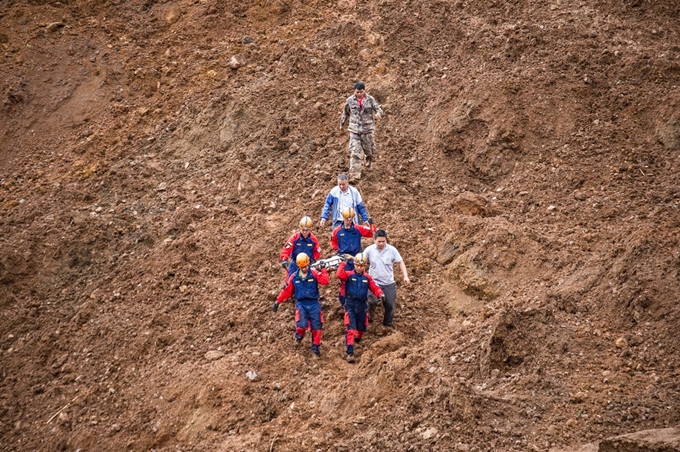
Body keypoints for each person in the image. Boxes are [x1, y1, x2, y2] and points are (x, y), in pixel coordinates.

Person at [272, 254, 330, 356]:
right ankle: (298, 337)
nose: (304, 269)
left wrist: (323, 270)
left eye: (305, 266)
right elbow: (287, 290)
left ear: (308, 264)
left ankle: (315, 348)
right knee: (301, 326)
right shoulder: (294, 277)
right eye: (302, 267)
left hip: (313, 303)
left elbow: (325, 281)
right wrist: (278, 301)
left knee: (317, 327)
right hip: (301, 303)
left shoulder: (314, 273)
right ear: (299, 266)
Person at [336, 253, 384, 362]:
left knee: (362, 327)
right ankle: (350, 352)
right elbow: (339, 275)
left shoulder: (367, 278)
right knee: (350, 327)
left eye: (361, 266)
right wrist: (343, 263)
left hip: (362, 304)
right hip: (350, 304)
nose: (359, 267)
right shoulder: (348, 275)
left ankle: (358, 338)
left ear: (365, 267)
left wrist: (380, 294)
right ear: (354, 264)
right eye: (357, 265)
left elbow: (374, 287)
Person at [364, 229, 410, 327]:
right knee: (371, 301)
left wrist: (405, 276)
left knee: (390, 304)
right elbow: (361, 262)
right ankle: (370, 316)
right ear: (374, 240)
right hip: (374, 282)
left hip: (388, 282)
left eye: (383, 241)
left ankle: (387, 324)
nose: (381, 243)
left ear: (386, 240)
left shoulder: (392, 250)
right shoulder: (369, 250)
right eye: (379, 241)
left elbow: (400, 262)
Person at [340, 81, 384, 181]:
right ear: (354, 91)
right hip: (354, 130)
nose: (359, 94)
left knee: (369, 151)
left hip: (367, 130)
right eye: (357, 92)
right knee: (355, 152)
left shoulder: (370, 99)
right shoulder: (350, 100)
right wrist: (342, 124)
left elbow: (378, 109)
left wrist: (378, 114)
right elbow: (345, 113)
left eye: (361, 92)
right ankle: (355, 175)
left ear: (364, 90)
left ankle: (369, 163)